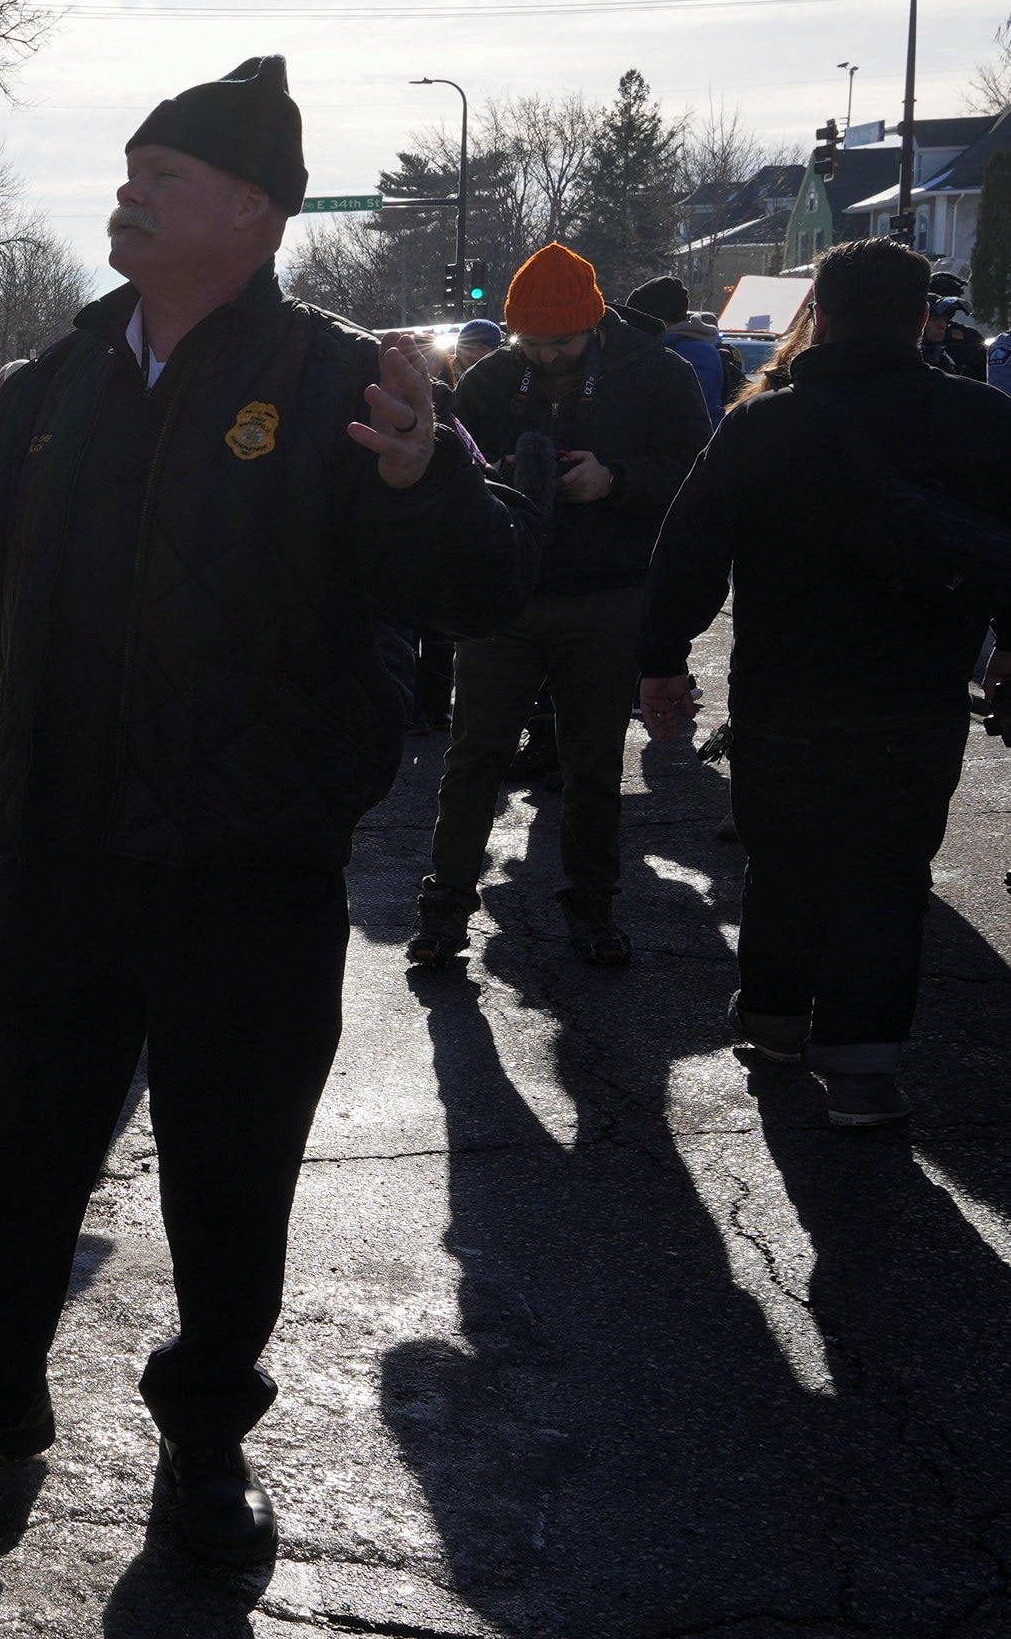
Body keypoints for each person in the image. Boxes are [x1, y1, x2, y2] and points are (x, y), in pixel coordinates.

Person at [0, 54, 531, 1564]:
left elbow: (481, 585)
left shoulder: (335, 379)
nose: (127, 194)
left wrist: (430, 481)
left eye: (159, 178)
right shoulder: (56, 385)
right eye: (126, 170)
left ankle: (207, 1435)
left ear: (252, 209)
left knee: (229, 1180)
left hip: (250, 871)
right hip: (64, 851)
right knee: (20, 1151)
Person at [637, 237, 1011, 1126]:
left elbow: (688, 551)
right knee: (888, 870)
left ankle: (772, 1023)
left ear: (822, 315)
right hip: (918, 693)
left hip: (787, 692)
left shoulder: (766, 423)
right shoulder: (984, 419)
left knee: (786, 862)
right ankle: (863, 1067)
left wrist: (661, 660)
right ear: (922, 316)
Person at [409, 243, 709, 970]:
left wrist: (616, 480)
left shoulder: (657, 375)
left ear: (595, 321)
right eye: (530, 343)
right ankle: (445, 906)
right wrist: (501, 479)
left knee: (593, 762)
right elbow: (451, 471)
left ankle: (593, 905)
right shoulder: (490, 376)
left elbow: (700, 480)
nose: (543, 357)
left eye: (560, 343)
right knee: (474, 754)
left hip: (607, 595)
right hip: (505, 596)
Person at [624, 274, 729, 425]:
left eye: (637, 318)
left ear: (653, 317)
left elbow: (683, 410)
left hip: (693, 443)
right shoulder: (672, 346)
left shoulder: (695, 352)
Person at [922, 272, 991, 380]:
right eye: (934, 320)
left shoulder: (971, 338)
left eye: (945, 320)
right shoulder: (906, 350)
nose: (942, 326)